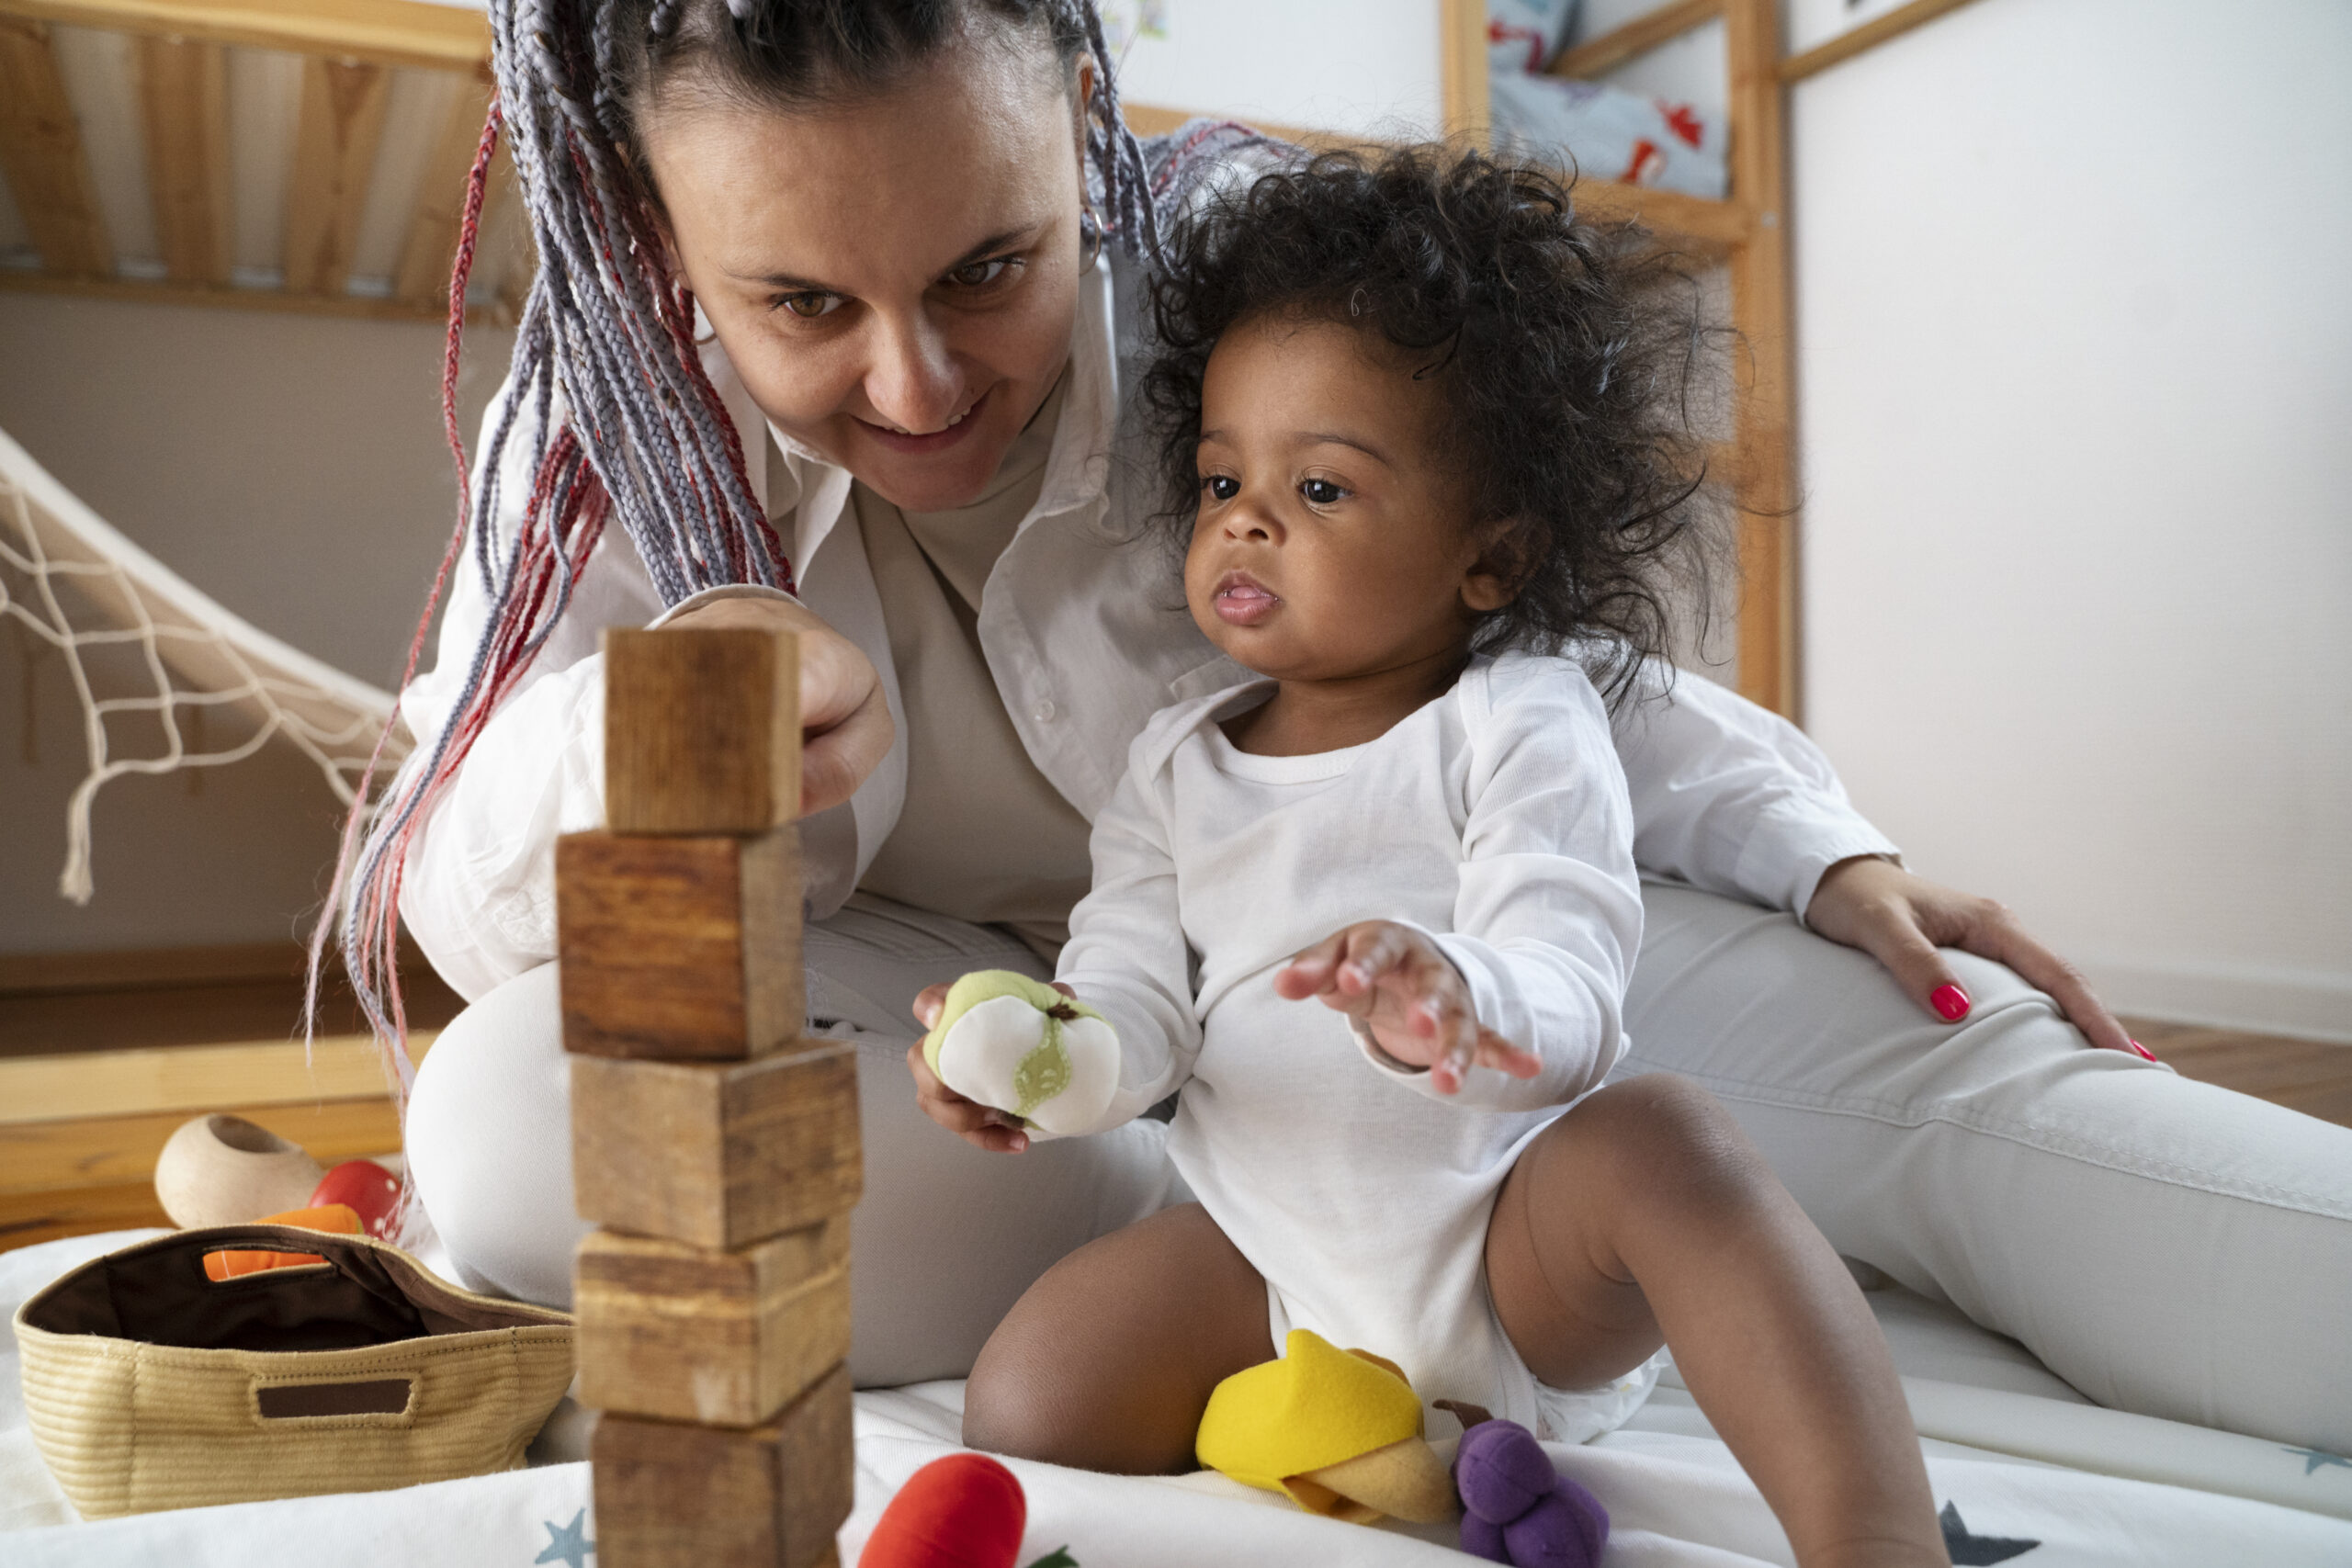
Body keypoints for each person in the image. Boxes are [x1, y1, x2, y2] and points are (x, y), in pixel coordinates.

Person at [365, 0, 2352, 1454]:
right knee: (501, 1119)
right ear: (655, 233)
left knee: (1990, 1113)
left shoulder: (1257, 307)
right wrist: (655, 726)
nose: (914, 381)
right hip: (1030, 1043)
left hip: (1417, 953)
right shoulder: (601, 441)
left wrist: (1822, 847)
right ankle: (1350, 1243)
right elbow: (465, 908)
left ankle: (1481, 1217)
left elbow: (1527, 658)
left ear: (1077, 112)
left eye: (988, 266)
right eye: (799, 305)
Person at [926, 145, 1949, 1565]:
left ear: (1491, 558)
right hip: (1278, 1260)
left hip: (1513, 1249)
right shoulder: (1170, 763)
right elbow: (1137, 1008)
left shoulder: (1515, 718)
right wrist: (1049, 1059)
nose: (1247, 515)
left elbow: (1571, 977)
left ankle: (1877, 1539)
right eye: (1224, 473)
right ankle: (1387, 1438)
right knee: (1029, 1396)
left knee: (1668, 1141)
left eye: (1324, 489)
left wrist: (1453, 999)